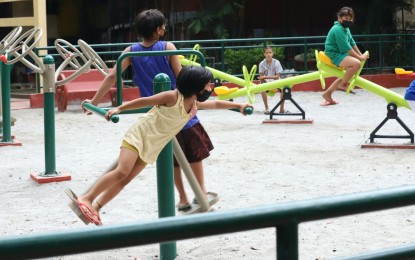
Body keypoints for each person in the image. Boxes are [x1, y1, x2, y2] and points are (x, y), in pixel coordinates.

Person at [77, 66, 252, 225]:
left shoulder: (194, 105)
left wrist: (239, 105)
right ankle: (87, 198)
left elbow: (215, 103)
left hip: (152, 145)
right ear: (196, 87)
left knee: (126, 179)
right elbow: (145, 101)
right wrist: (119, 109)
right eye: (208, 85)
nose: (210, 88)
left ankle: (97, 207)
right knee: (122, 171)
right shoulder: (173, 97)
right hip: (139, 135)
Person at [87, 9, 216, 212]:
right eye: (163, 25)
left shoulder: (131, 51)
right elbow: (183, 79)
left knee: (172, 157)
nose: (165, 28)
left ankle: (183, 198)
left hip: (157, 113)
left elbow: (112, 77)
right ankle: (200, 193)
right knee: (194, 153)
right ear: (158, 30)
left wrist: (94, 100)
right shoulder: (167, 47)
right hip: (179, 109)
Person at [321, 6, 369, 106]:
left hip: (340, 54)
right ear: (339, 18)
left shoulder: (345, 28)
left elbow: (352, 42)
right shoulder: (338, 29)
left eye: (350, 19)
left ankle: (327, 94)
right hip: (334, 55)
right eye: (345, 18)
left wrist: (361, 55)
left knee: (347, 74)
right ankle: (342, 85)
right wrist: (360, 58)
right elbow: (347, 47)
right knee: (356, 64)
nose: (348, 20)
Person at [258, 46, 285, 114]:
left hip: (276, 81)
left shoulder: (277, 62)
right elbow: (261, 77)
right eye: (266, 53)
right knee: (262, 87)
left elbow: (277, 76)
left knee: (284, 89)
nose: (268, 54)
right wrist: (266, 80)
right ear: (264, 54)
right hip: (266, 81)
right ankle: (267, 108)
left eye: (270, 52)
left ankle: (281, 109)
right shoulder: (261, 64)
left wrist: (266, 77)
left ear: (272, 53)